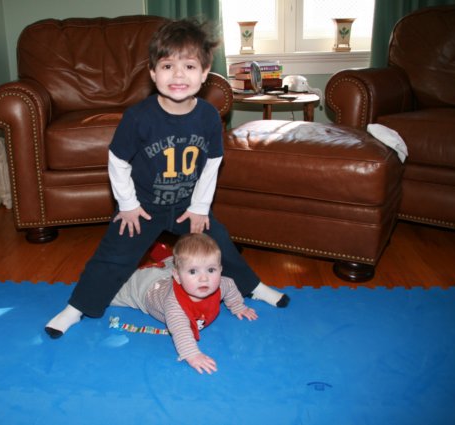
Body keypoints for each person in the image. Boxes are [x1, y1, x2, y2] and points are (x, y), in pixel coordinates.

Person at [45, 18, 288, 339]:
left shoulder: (208, 116)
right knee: (113, 256)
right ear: (152, 72)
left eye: (189, 66)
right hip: (143, 206)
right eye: (168, 66)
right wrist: (127, 204)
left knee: (220, 244)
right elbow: (117, 160)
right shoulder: (139, 117)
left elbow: (213, 162)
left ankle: (253, 287)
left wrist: (200, 207)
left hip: (188, 206)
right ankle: (77, 307)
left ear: (204, 73)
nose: (178, 75)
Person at [111, 233, 258, 374]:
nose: (204, 278)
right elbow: (181, 331)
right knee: (109, 294)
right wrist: (192, 355)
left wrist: (238, 306)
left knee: (174, 263)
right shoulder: (175, 306)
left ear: (220, 270)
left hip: (170, 273)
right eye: (193, 272)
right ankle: (149, 252)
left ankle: (161, 253)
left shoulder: (223, 284)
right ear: (177, 277)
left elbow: (230, 287)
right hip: (144, 287)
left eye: (211, 270)